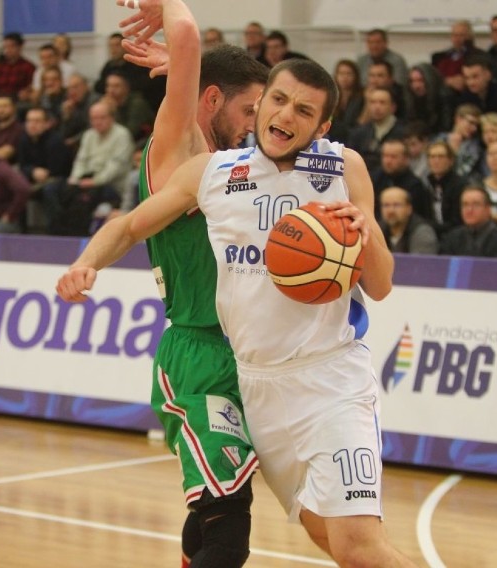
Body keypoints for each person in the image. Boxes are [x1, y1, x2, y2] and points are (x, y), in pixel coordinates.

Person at [57, 57, 415, 568]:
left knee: (356, 544)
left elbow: (379, 286)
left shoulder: (343, 168)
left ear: (322, 126)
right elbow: (132, 226)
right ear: (263, 101)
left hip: (331, 383)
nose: (287, 115)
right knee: (326, 536)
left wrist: (367, 232)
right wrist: (86, 264)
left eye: (304, 110)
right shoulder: (215, 173)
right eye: (279, 99)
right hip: (256, 388)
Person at [117, 1, 268, 564]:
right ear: (210, 102)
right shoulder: (179, 144)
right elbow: (184, 31)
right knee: (229, 531)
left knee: (214, 508)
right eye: (250, 108)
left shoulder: (225, 163)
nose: (257, 121)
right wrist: (171, 17)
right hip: (198, 355)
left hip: (237, 352)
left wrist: (189, 69)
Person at [42, 100, 133, 236]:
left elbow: (115, 167)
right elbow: (80, 161)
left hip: (110, 185)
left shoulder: (122, 135)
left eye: (102, 118)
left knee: (86, 198)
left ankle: (79, 234)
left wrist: (94, 181)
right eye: (94, 119)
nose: (97, 122)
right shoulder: (88, 135)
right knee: (51, 189)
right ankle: (57, 230)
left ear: (112, 118)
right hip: (85, 180)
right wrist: (75, 179)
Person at [440, 186, 497, 258]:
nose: (469, 210)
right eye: (465, 205)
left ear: (488, 209)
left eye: (476, 205)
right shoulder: (451, 238)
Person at [380, 186, 439, 254]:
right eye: (386, 205)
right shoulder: (376, 231)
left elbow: (420, 263)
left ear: (409, 208)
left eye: (396, 205)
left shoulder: (422, 232)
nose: (391, 211)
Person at [426, 140, 467, 234]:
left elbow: (458, 221)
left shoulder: (460, 185)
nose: (436, 161)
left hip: (456, 234)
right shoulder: (426, 185)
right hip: (432, 234)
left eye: (441, 157)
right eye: (432, 157)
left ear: (450, 161)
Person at [0, 32, 36, 104]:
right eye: (5, 47)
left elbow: (30, 89)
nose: (8, 50)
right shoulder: (1, 66)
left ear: (20, 47)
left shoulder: (28, 67)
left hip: (16, 103)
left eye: (11, 46)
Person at [325, 59, 364, 145]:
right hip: (333, 137)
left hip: (354, 135)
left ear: (356, 76)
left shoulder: (362, 96)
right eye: (341, 73)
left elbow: (362, 122)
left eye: (349, 74)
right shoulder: (330, 95)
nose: (345, 77)